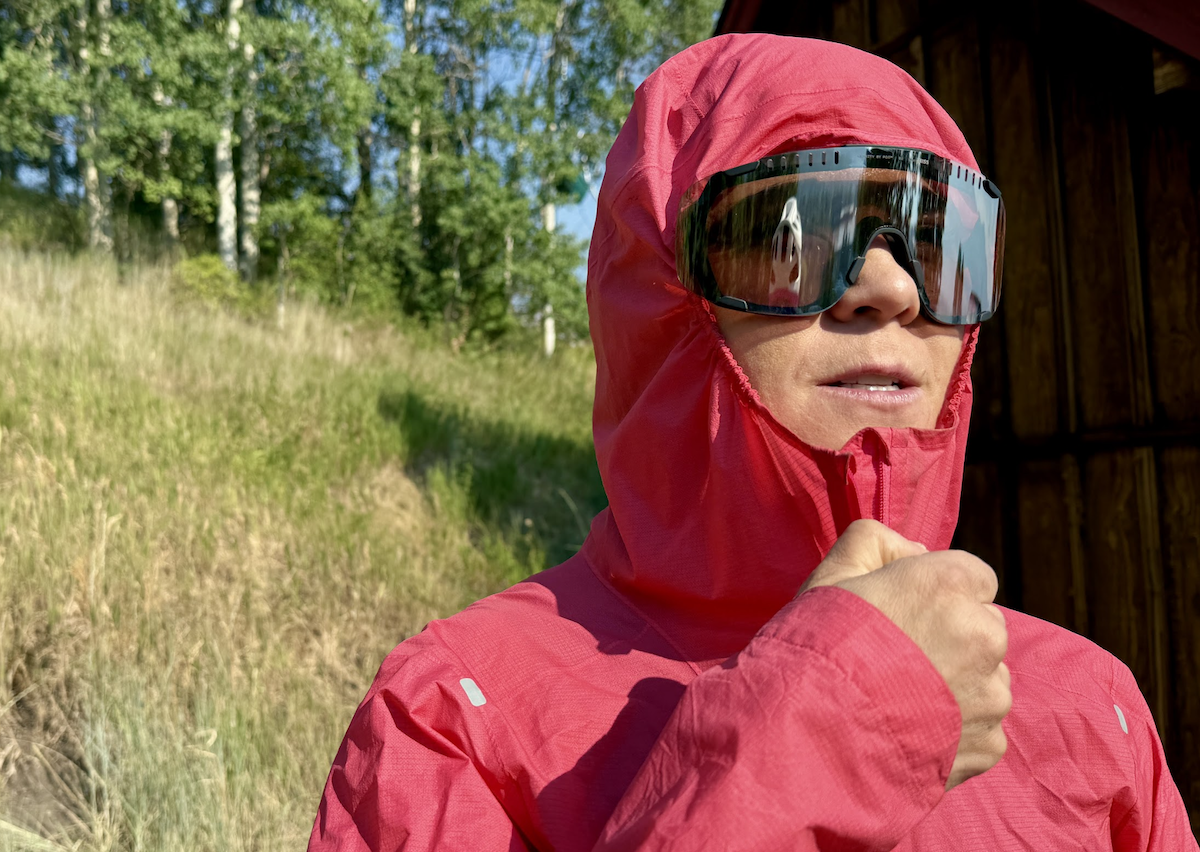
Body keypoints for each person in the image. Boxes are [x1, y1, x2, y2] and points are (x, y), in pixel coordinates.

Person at [308, 34, 1198, 851]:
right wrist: (823, 731)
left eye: (938, 242)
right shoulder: (455, 716)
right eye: (793, 236)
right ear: (662, 298)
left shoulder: (1091, 705)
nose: (890, 287)